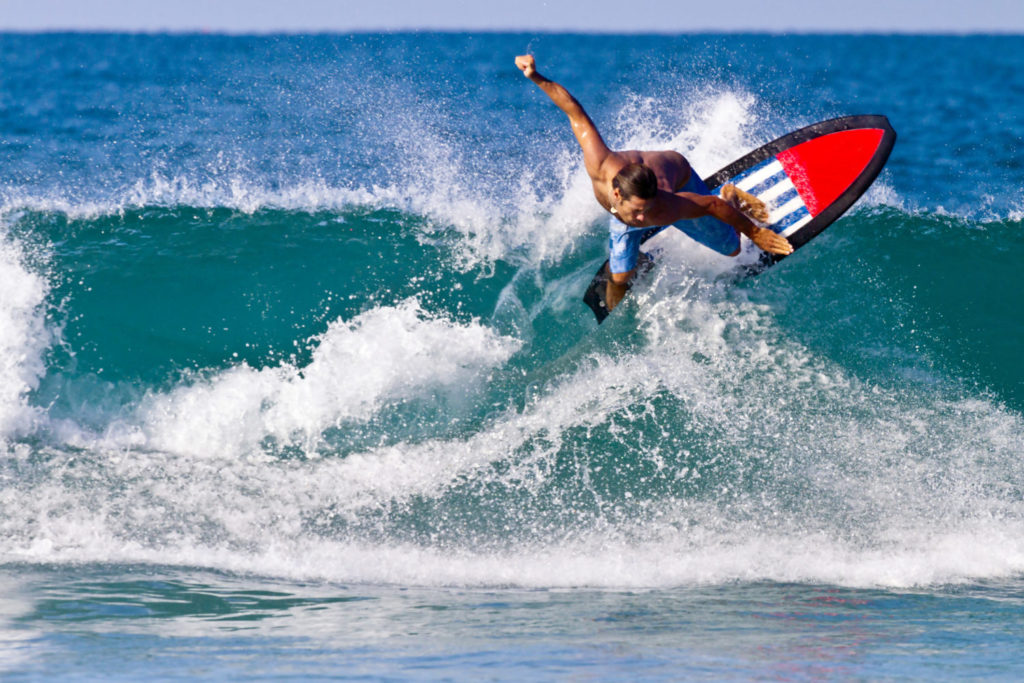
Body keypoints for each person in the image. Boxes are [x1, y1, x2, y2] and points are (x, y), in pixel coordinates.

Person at [514, 54, 793, 311]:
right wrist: (536, 76)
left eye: (645, 211)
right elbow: (575, 112)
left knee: (731, 249)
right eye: (636, 211)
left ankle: (732, 193)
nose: (642, 217)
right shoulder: (600, 165)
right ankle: (632, 278)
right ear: (615, 193)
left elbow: (710, 205)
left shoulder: (665, 205)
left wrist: (755, 233)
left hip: (678, 174)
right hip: (635, 189)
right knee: (620, 276)